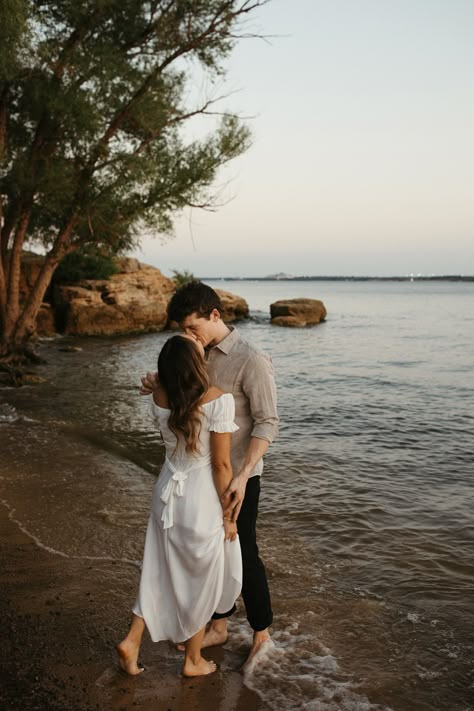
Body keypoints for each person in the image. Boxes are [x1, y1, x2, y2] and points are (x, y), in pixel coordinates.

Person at [140, 281, 278, 667]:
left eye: (193, 326)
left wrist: (242, 474)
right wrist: (156, 382)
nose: (188, 335)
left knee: (243, 551)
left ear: (215, 315)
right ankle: (218, 626)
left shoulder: (252, 359)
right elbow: (181, 392)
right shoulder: (192, 350)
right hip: (200, 477)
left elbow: (267, 424)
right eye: (182, 329)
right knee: (208, 556)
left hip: (238, 476)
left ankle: (262, 633)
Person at [117, 334, 242, 677]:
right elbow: (221, 466)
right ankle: (192, 660)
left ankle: (131, 641)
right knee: (201, 579)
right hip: (200, 498)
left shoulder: (159, 396)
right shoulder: (218, 400)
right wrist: (230, 516)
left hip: (166, 491)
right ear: (196, 364)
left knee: (156, 572)